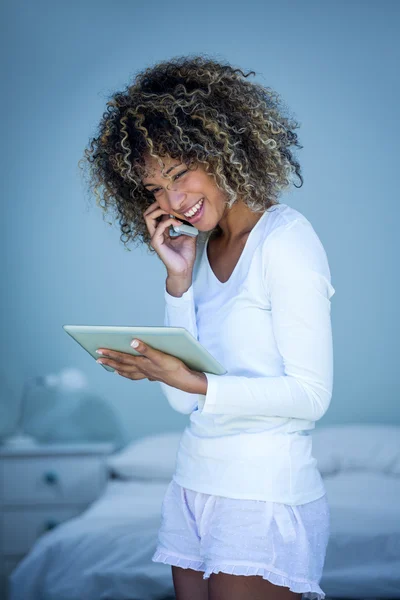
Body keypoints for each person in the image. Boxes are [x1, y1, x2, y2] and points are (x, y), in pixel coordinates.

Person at [79, 54, 335, 600]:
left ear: (224, 153)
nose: (174, 202)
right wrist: (177, 280)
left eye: (179, 175)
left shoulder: (285, 241)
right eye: (154, 190)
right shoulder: (198, 251)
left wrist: (187, 378)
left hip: (261, 491)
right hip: (195, 482)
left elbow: (311, 397)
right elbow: (184, 404)